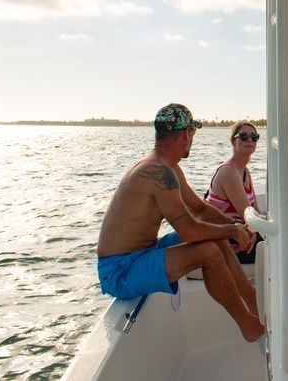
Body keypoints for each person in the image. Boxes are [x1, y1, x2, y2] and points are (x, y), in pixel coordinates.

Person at [97, 103, 264, 342]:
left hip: (144, 252)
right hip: (120, 270)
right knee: (206, 249)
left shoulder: (169, 168)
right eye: (193, 134)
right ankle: (248, 325)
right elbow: (189, 229)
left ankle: (253, 301)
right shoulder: (158, 172)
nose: (192, 140)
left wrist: (235, 228)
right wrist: (232, 230)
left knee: (214, 237)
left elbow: (200, 208)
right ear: (185, 134)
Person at [206, 121, 263, 262]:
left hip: (240, 233)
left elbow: (256, 211)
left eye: (254, 137)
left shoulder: (245, 172)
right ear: (233, 140)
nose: (250, 140)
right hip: (226, 241)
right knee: (283, 247)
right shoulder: (228, 172)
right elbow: (248, 215)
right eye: (244, 136)